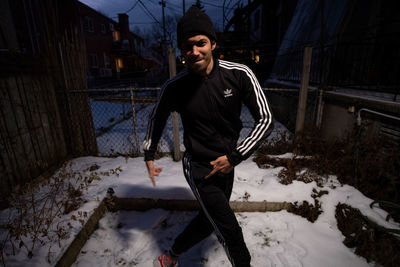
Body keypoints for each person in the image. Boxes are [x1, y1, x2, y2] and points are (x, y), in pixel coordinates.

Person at [144, 6, 274, 267]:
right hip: (199, 166)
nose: (195, 52)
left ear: (213, 43)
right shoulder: (175, 87)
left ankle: (172, 255)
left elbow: (266, 119)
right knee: (229, 230)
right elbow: (156, 117)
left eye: (201, 43)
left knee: (209, 218)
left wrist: (235, 157)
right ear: (182, 49)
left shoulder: (239, 74)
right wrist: (149, 153)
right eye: (188, 46)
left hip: (228, 162)